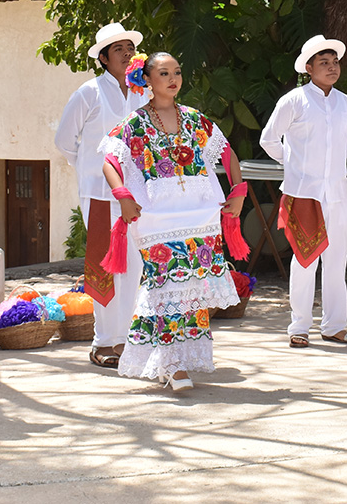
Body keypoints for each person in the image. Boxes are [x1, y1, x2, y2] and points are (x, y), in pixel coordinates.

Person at [100, 51, 248, 391]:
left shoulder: (196, 120)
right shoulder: (134, 123)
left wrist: (238, 190)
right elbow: (110, 159)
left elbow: (227, 154)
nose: (173, 79)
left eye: (177, 72)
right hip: (156, 218)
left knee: (191, 287)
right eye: (163, 73)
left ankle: (181, 359)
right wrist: (122, 195)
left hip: (200, 214)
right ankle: (171, 364)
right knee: (165, 285)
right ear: (147, 80)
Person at [260, 35, 347, 349]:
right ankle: (299, 327)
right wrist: (292, 164)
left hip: (337, 191)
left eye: (335, 62)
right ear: (309, 68)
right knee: (305, 259)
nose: (332, 68)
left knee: (337, 259)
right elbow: (269, 140)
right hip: (303, 192)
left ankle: (334, 325)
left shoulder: (345, 103)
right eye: (324, 63)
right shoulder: (293, 100)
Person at [54, 22, 147, 369]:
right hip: (99, 194)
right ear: (104, 58)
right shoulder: (88, 93)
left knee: (134, 266)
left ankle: (125, 338)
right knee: (104, 266)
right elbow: (65, 141)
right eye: (118, 49)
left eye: (129, 47)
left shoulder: (144, 94)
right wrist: (92, 170)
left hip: (137, 193)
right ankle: (103, 343)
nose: (125, 53)